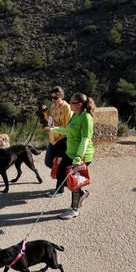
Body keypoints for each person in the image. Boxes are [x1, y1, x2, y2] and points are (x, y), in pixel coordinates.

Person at [45, 92, 95, 220]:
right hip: (70, 153)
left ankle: (74, 209)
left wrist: (78, 157)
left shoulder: (86, 118)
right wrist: (53, 129)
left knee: (74, 181)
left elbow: (85, 140)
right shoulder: (75, 116)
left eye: (72, 102)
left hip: (81, 155)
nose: (69, 104)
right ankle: (81, 193)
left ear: (79, 105)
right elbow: (68, 130)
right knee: (61, 176)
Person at [41, 86, 72, 196]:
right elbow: (50, 120)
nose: (53, 100)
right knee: (48, 162)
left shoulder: (67, 108)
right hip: (52, 139)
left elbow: (69, 127)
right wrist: (45, 112)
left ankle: (60, 189)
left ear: (62, 96)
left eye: (56, 98)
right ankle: (64, 182)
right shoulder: (53, 106)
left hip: (62, 140)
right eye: (52, 98)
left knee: (59, 164)